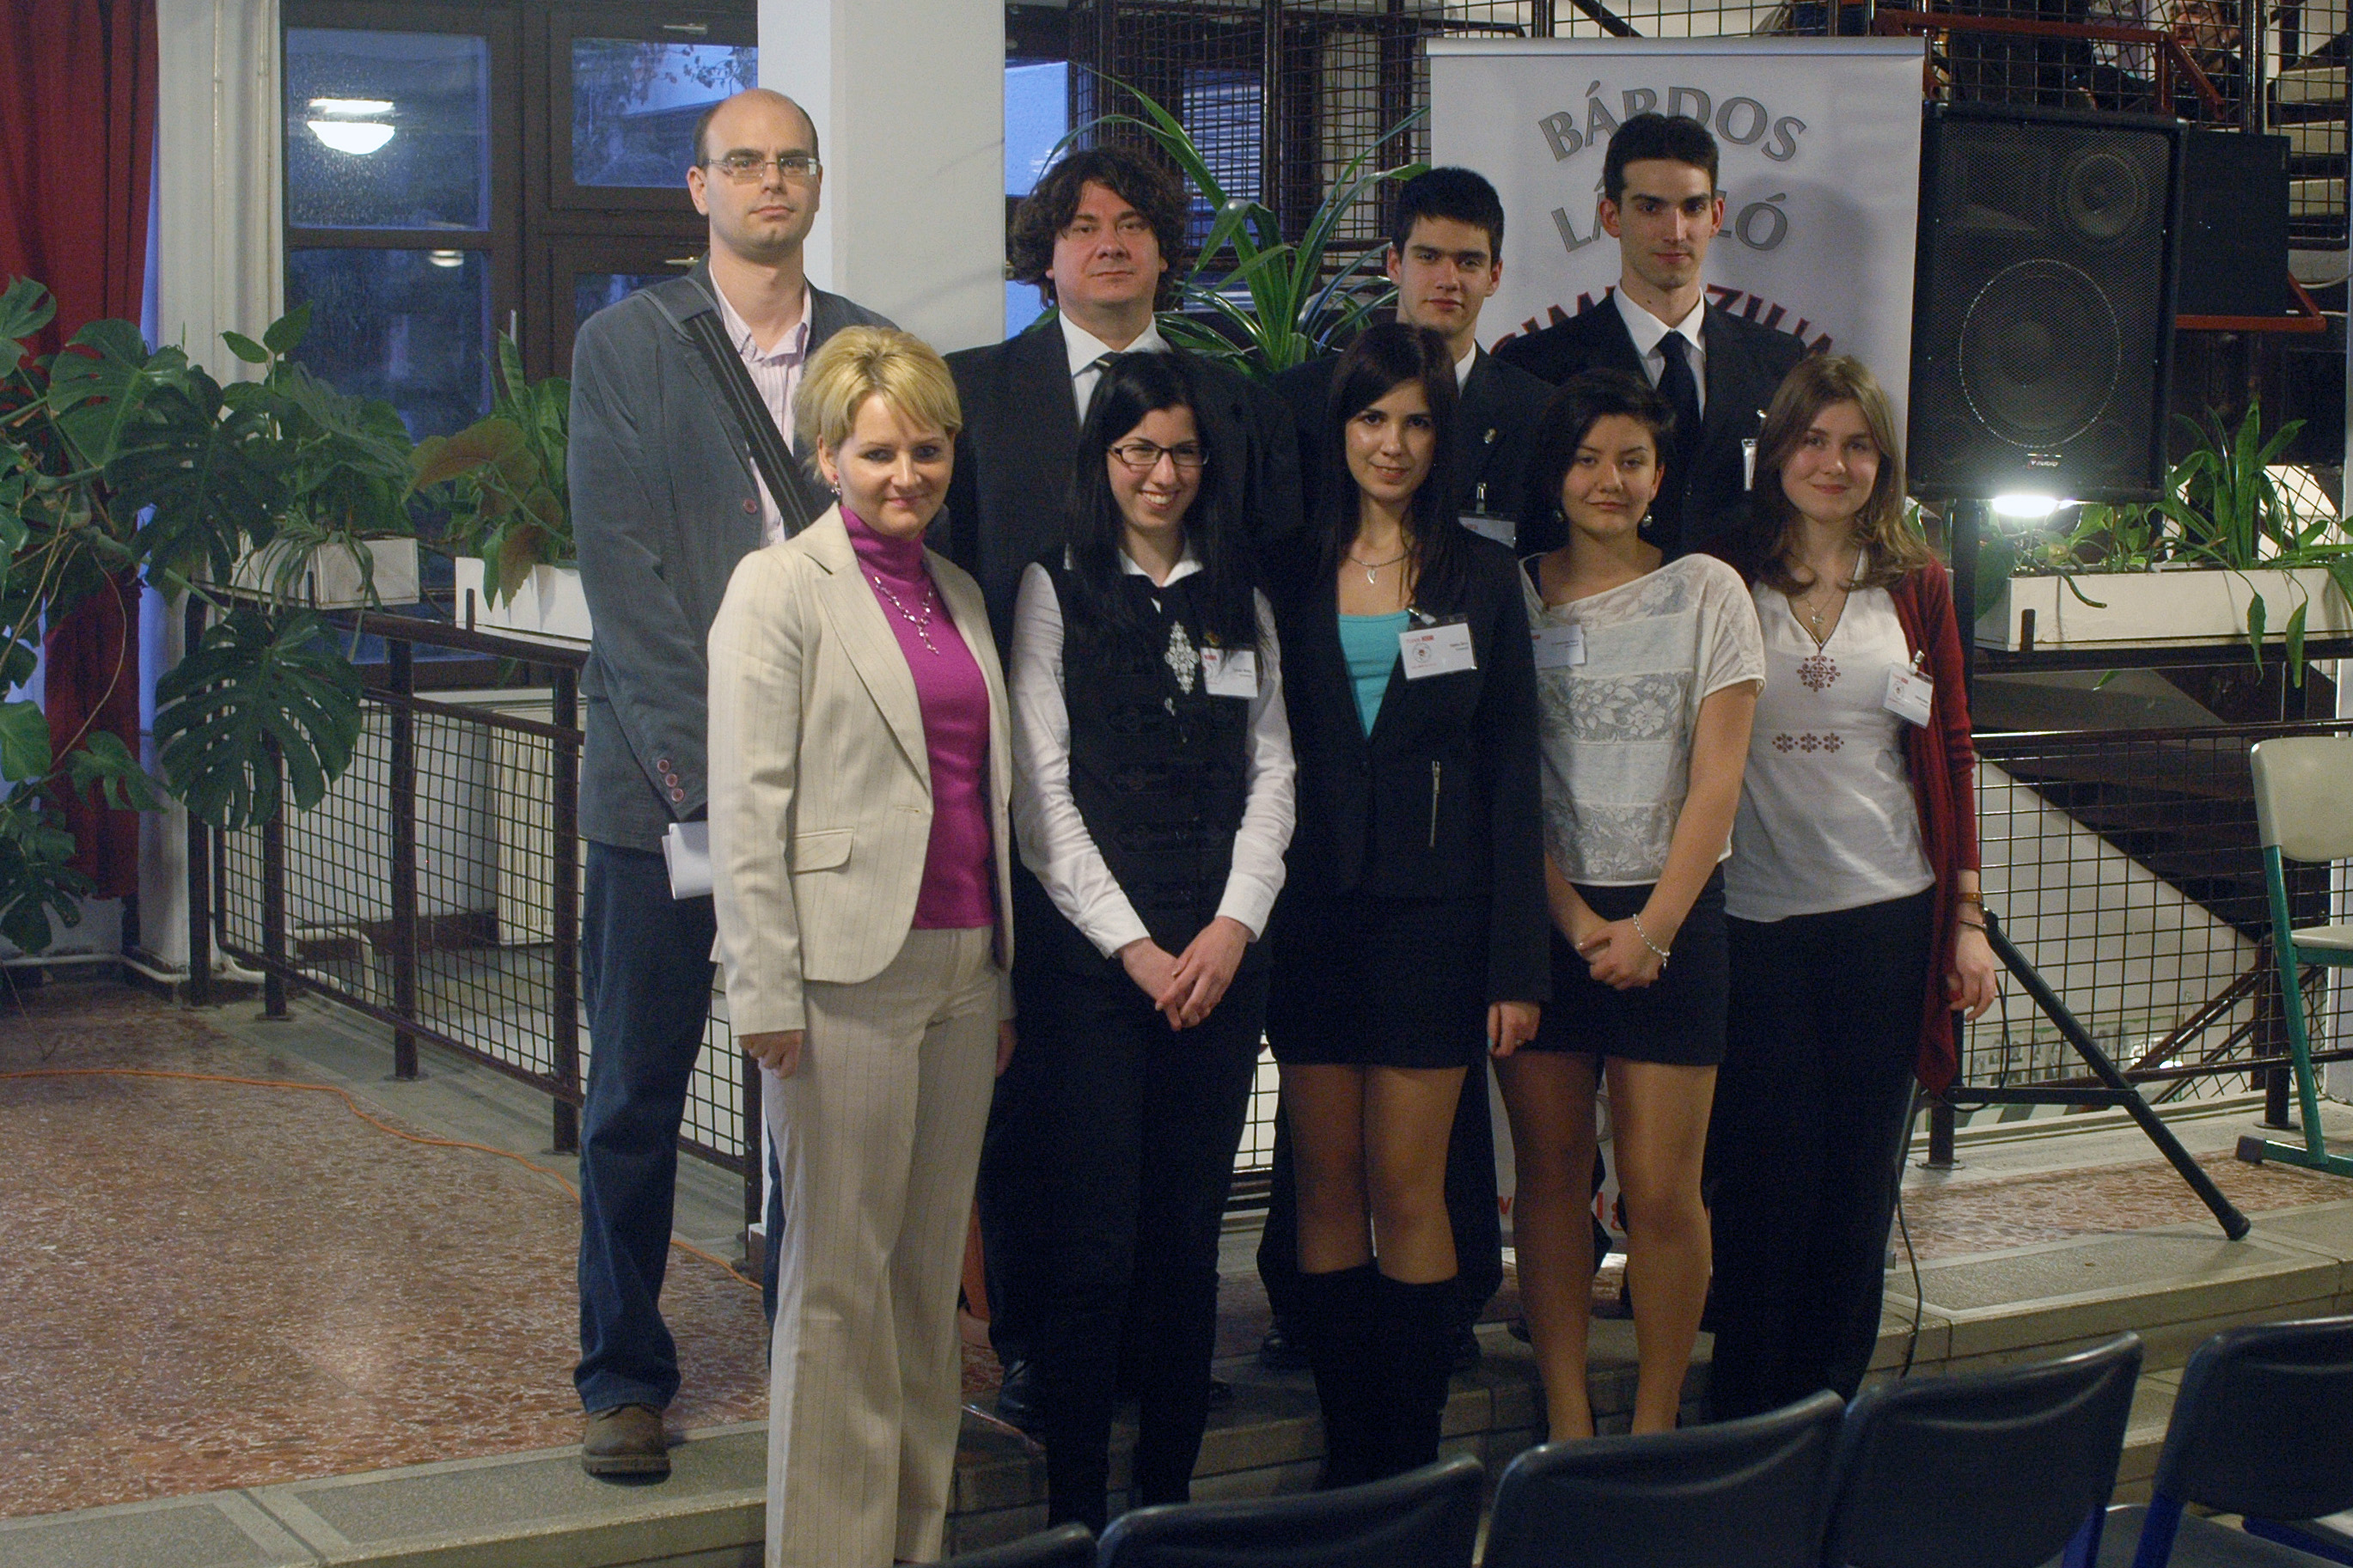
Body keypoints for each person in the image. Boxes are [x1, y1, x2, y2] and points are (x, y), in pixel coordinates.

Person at [946, 143, 1301, 1425]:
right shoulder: (972, 395)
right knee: (1041, 1115)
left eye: (1134, 222)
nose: (1109, 242)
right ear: (1044, 251)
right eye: (1083, 224)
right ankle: (1040, 1348)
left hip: (1202, 832)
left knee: (1179, 1138)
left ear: (1164, 247)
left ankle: (1165, 1358)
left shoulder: (1231, 404)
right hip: (1032, 821)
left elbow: (1259, 586)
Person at [569, 87, 891, 1480]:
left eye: (792, 161)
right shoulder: (625, 346)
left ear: (815, 183)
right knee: (635, 1096)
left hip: (833, 798)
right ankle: (621, 1376)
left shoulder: (867, 349)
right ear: (697, 187)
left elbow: (893, 555)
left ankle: (803, 1350)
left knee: (812, 1092)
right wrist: (713, 787)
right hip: (669, 803)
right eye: (742, 163)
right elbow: (625, 582)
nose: (771, 182)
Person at [707, 326, 1017, 1568]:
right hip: (841, 979)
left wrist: (1000, 981)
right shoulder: (777, 587)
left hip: (964, 965)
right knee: (838, 1287)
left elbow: (982, 793)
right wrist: (762, 986)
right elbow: (749, 802)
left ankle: (910, 1542)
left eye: (926, 450)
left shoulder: (960, 594)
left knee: (926, 1287)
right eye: (879, 452)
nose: (906, 475)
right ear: (827, 456)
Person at [1258, 168, 1555, 1375]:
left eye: (1416, 424)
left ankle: (1407, 1437)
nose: (1391, 444)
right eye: (1372, 420)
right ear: (1341, 430)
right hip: (1312, 917)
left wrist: (1515, 960)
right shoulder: (1286, 571)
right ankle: (1348, 1436)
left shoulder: (1480, 582)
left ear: (1443, 439)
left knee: (1408, 1184)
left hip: (1436, 925)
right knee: (1325, 1187)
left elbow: (1513, 770)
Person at [1008, 351, 1297, 1530]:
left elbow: (1274, 773)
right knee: (1092, 1254)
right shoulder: (1054, 586)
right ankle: (1076, 1516)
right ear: (1104, 459)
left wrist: (1232, 925)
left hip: (1218, 967)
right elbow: (1040, 797)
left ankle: (1167, 1510)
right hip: (1095, 972)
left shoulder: (1242, 596)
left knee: (1186, 1247)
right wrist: (1134, 949)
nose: (1161, 474)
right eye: (1138, 451)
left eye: (1181, 452)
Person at [1702, 355, 1999, 1421]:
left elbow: (1951, 744)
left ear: (1883, 462)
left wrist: (1965, 917)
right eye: (1814, 441)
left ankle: (1827, 1411)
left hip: (1889, 918)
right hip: (1755, 922)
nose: (1833, 464)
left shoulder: (1917, 582)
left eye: (1857, 445)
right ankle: (1745, 1420)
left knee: (1857, 1186)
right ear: (1778, 450)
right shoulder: (1721, 572)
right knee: (1762, 1179)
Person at [1493, 369, 1763, 1442]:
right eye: (1585, 458)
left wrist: (1652, 927)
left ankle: (1653, 1428)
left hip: (1673, 915)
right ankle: (1565, 1416)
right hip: (1542, 917)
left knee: (1659, 1189)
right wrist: (1569, 919)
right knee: (1550, 1180)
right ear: (1552, 473)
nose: (1607, 480)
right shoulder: (1506, 594)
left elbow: (1717, 779)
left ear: (1659, 477)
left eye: (1631, 461)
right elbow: (1502, 782)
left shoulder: (1708, 590)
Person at [1494, 113, 1806, 560]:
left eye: (1692, 208)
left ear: (1716, 216)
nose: (1675, 232)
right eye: (1650, 208)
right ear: (1611, 215)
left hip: (1744, 600)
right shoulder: (1538, 367)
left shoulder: (1779, 363)